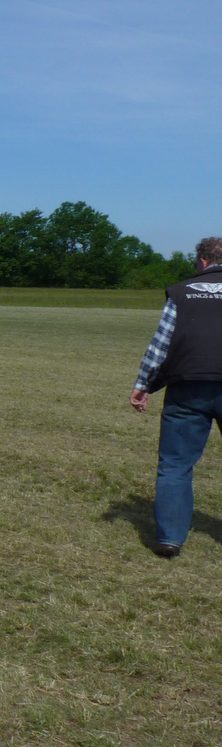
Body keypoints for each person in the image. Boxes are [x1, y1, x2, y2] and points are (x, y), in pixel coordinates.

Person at [130, 237, 222, 557]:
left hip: (187, 388)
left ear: (202, 261)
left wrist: (144, 383)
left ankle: (170, 537)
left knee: (175, 465)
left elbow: (161, 344)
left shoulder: (182, 292)